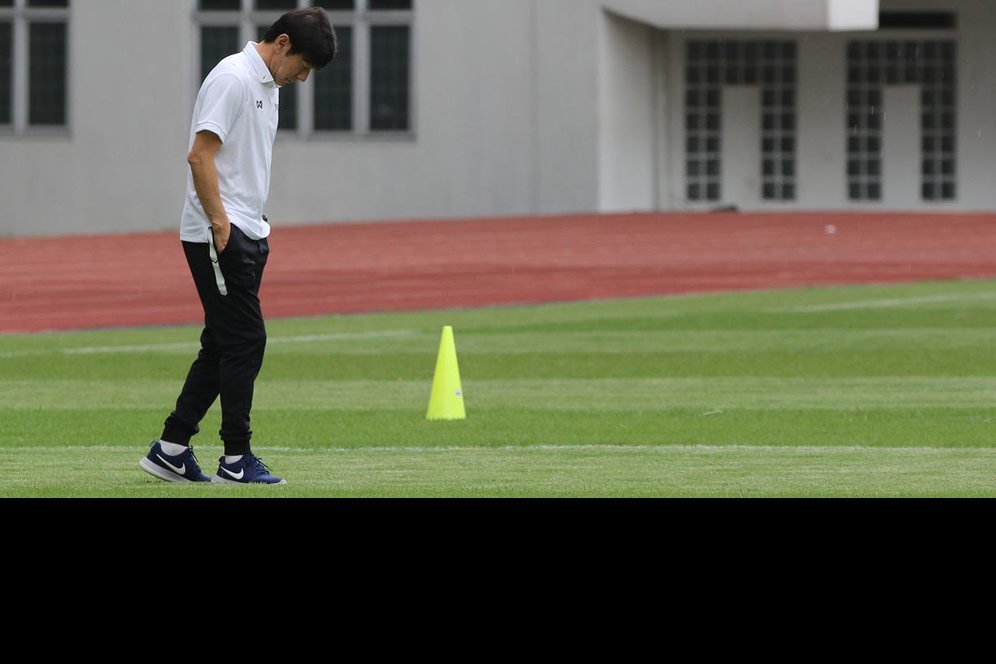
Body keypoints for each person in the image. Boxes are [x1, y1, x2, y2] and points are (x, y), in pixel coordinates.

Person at [140, 8, 337, 485]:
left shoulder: (268, 86)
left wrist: (253, 223)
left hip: (247, 229)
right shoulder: (233, 78)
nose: (303, 78)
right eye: (304, 67)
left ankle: (171, 448)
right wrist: (221, 223)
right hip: (219, 233)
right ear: (283, 43)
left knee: (223, 343)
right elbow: (199, 155)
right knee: (247, 340)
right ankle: (235, 458)